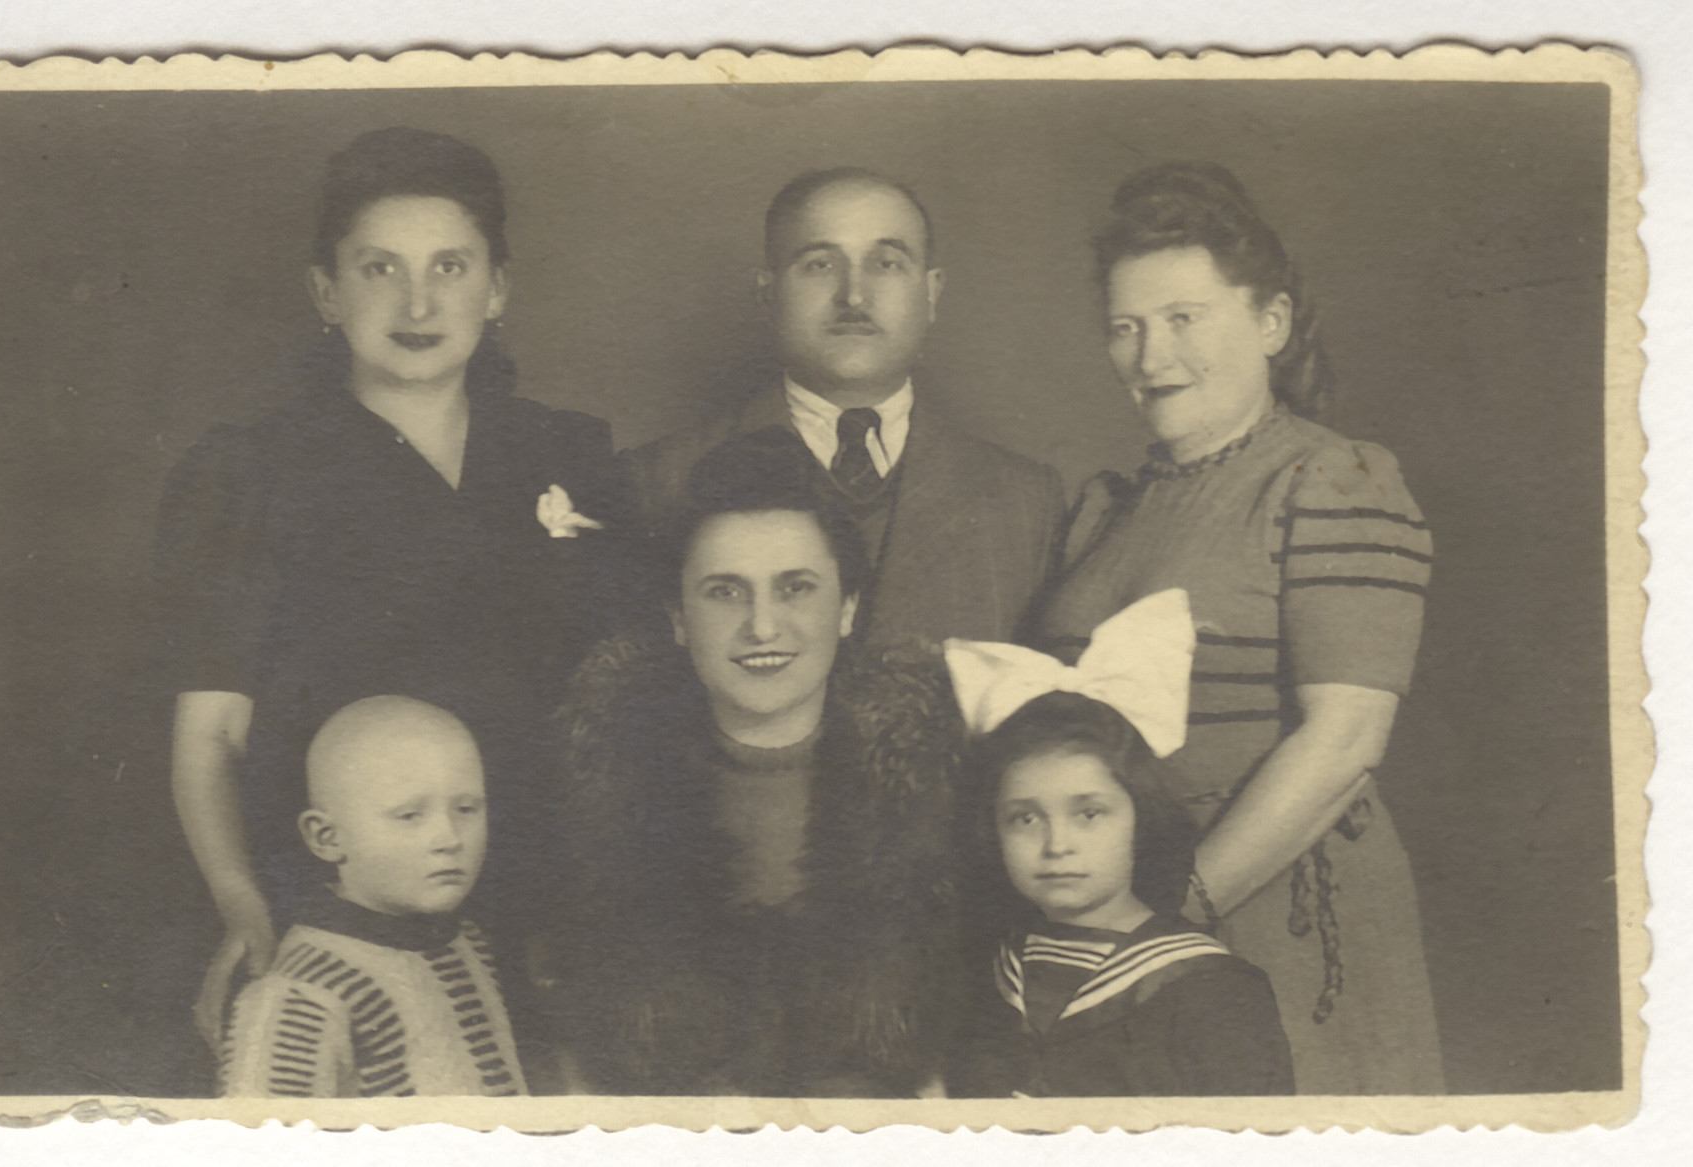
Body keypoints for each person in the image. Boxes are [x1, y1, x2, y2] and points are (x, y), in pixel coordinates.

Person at [154, 127, 629, 1054]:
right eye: (380, 269)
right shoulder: (249, 473)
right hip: (336, 904)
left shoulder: (565, 454)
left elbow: (619, 698)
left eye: (450, 266)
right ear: (326, 292)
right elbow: (207, 736)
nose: (419, 301)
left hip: (544, 899)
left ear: (497, 288)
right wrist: (242, 899)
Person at [1033, 162, 1443, 1093]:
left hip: (1266, 914)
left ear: (1272, 323)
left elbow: (1345, 740)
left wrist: (1170, 916)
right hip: (1115, 912)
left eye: (1184, 318)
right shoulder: (1107, 507)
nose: (1151, 355)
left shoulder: (1332, 479)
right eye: (1126, 327)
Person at [555, 429, 965, 1096]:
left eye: (796, 587)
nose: (763, 626)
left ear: (849, 608)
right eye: (725, 591)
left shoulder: (937, 782)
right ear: (678, 617)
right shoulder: (605, 785)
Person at [627, 167, 1064, 648]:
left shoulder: (1026, 502)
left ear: (931, 292)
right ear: (768, 295)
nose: (854, 296)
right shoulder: (655, 481)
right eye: (820, 264)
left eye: (887, 263)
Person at [943, 590, 1293, 1097]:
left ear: (1140, 815)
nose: (1056, 844)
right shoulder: (1001, 970)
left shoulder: (1209, 988)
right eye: (1024, 819)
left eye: (1089, 814)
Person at [221, 696, 528, 1097]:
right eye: (409, 816)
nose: (450, 839)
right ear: (326, 838)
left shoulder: (466, 943)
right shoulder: (302, 993)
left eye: (467, 809)